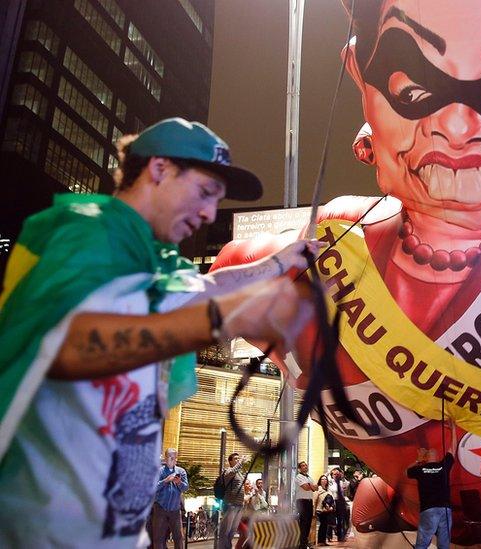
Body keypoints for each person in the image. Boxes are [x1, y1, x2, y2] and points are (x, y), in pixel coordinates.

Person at [211, 2, 481, 545]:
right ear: (362, 85)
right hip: (418, 512)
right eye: (415, 90)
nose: (458, 126)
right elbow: (225, 275)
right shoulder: (335, 243)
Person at [0, 117, 322, 548]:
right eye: (206, 192)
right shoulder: (87, 233)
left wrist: (281, 262)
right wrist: (226, 317)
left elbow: (206, 286)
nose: (210, 214)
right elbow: (75, 346)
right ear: (159, 169)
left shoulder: (155, 262)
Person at [407, 448, 455, 549]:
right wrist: (453, 431)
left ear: (426, 458)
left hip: (429, 509)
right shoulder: (443, 466)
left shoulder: (420, 469)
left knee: (422, 544)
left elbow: (406, 472)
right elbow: (452, 450)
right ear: (437, 457)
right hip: (445, 508)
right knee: (444, 544)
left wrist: (418, 460)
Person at [152, 448, 188, 548]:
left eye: (174, 457)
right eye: (169, 457)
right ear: (165, 458)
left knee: (179, 537)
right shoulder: (159, 471)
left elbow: (185, 487)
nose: (172, 460)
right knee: (158, 537)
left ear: (176, 458)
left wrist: (179, 482)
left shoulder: (181, 471)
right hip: (160, 508)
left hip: (175, 509)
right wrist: (166, 481)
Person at [218, 452, 249, 549]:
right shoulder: (228, 471)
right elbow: (233, 471)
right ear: (230, 461)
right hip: (230, 504)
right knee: (225, 531)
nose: (237, 460)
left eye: (238, 458)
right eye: (235, 459)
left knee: (232, 531)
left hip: (239, 505)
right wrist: (241, 461)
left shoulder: (238, 473)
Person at [295, 461, 316, 548]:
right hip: (301, 501)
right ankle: (302, 544)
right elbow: (306, 488)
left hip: (309, 501)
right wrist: (310, 486)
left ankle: (305, 542)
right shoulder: (298, 477)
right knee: (303, 523)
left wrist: (309, 485)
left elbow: (316, 487)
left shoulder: (309, 477)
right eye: (303, 466)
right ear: (299, 468)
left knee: (308, 523)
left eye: (306, 465)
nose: (305, 467)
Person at [328, 467, 350, 542]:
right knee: (332, 520)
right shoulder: (329, 482)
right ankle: (330, 535)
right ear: (332, 475)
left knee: (341, 519)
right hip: (333, 501)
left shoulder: (341, 482)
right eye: (334, 474)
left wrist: (342, 475)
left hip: (340, 502)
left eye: (338, 474)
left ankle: (340, 536)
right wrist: (329, 471)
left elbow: (347, 486)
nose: (336, 475)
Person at [314, 475, 336, 546]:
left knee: (325, 525)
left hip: (328, 510)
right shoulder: (318, 489)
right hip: (320, 510)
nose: (324, 480)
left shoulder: (328, 490)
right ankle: (320, 541)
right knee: (322, 525)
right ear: (320, 481)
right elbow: (314, 500)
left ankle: (323, 541)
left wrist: (331, 507)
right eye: (322, 479)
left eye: (325, 479)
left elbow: (332, 500)